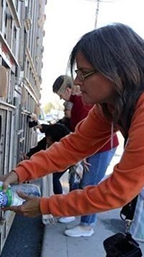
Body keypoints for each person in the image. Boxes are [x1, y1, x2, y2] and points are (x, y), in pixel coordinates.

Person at [0, 23, 144, 257]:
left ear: (116, 70)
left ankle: (85, 225)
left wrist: (45, 205)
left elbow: (117, 192)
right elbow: (73, 146)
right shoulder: (109, 107)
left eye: (83, 73)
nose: (77, 82)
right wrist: (22, 171)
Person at [48, 74, 119, 236]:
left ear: (67, 90)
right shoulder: (77, 102)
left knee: (89, 185)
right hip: (93, 147)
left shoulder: (81, 104)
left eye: (60, 95)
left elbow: (90, 134)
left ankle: (87, 225)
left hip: (103, 147)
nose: (60, 100)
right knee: (76, 180)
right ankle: (72, 212)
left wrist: (83, 156)